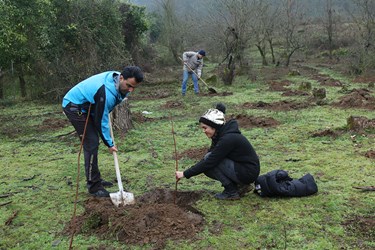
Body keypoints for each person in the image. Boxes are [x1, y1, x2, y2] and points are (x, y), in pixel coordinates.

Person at [62, 66, 144, 197]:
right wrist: (109, 143)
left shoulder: (118, 82)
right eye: (129, 86)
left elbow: (103, 110)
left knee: (93, 142)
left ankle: (96, 179)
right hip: (74, 106)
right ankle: (94, 187)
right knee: (91, 143)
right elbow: (101, 120)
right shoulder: (106, 92)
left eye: (134, 87)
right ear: (121, 78)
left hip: (89, 105)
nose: (131, 90)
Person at [175, 103, 260, 200]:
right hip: (243, 169)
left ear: (214, 126)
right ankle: (239, 187)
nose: (203, 131)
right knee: (206, 163)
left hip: (247, 172)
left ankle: (231, 192)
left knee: (208, 161)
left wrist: (185, 174)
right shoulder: (220, 135)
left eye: (205, 128)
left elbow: (210, 160)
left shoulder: (228, 139)